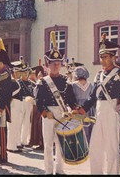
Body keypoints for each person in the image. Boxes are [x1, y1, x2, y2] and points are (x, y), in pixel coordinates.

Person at [73, 39, 120, 174]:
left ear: (114, 57)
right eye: (101, 57)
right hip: (98, 113)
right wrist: (82, 109)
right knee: (95, 147)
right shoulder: (98, 75)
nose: (102, 60)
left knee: (112, 148)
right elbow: (92, 97)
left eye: (105, 57)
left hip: (111, 111)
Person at [35, 47, 80, 175]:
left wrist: (74, 109)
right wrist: (44, 112)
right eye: (53, 64)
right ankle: (48, 171)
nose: (56, 66)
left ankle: (60, 170)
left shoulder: (66, 81)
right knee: (48, 145)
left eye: (58, 63)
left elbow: (71, 100)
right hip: (49, 115)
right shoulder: (42, 82)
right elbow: (38, 100)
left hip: (62, 114)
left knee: (61, 144)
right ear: (47, 65)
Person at [71, 65, 95, 144]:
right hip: (88, 107)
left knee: (78, 127)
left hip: (78, 107)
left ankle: (79, 145)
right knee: (88, 127)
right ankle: (88, 145)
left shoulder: (73, 85)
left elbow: (72, 98)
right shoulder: (90, 85)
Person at [29, 64, 45, 150]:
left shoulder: (41, 82)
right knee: (36, 124)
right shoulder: (37, 82)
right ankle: (38, 142)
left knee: (40, 125)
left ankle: (41, 143)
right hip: (36, 105)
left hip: (40, 106)